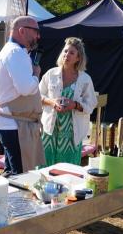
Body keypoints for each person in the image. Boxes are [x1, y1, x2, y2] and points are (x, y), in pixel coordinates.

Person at [0, 16, 44, 177]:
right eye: (36, 31)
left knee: (13, 173)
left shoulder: (15, 51)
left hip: (15, 124)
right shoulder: (15, 52)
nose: (38, 36)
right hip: (15, 126)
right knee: (20, 177)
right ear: (22, 30)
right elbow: (25, 88)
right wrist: (36, 75)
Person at [39, 37, 97, 166]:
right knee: (44, 166)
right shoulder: (51, 74)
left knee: (67, 170)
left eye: (71, 53)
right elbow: (37, 96)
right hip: (49, 130)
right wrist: (52, 102)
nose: (67, 55)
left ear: (78, 58)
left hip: (71, 134)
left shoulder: (85, 79)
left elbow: (91, 104)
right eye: (65, 51)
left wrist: (75, 105)